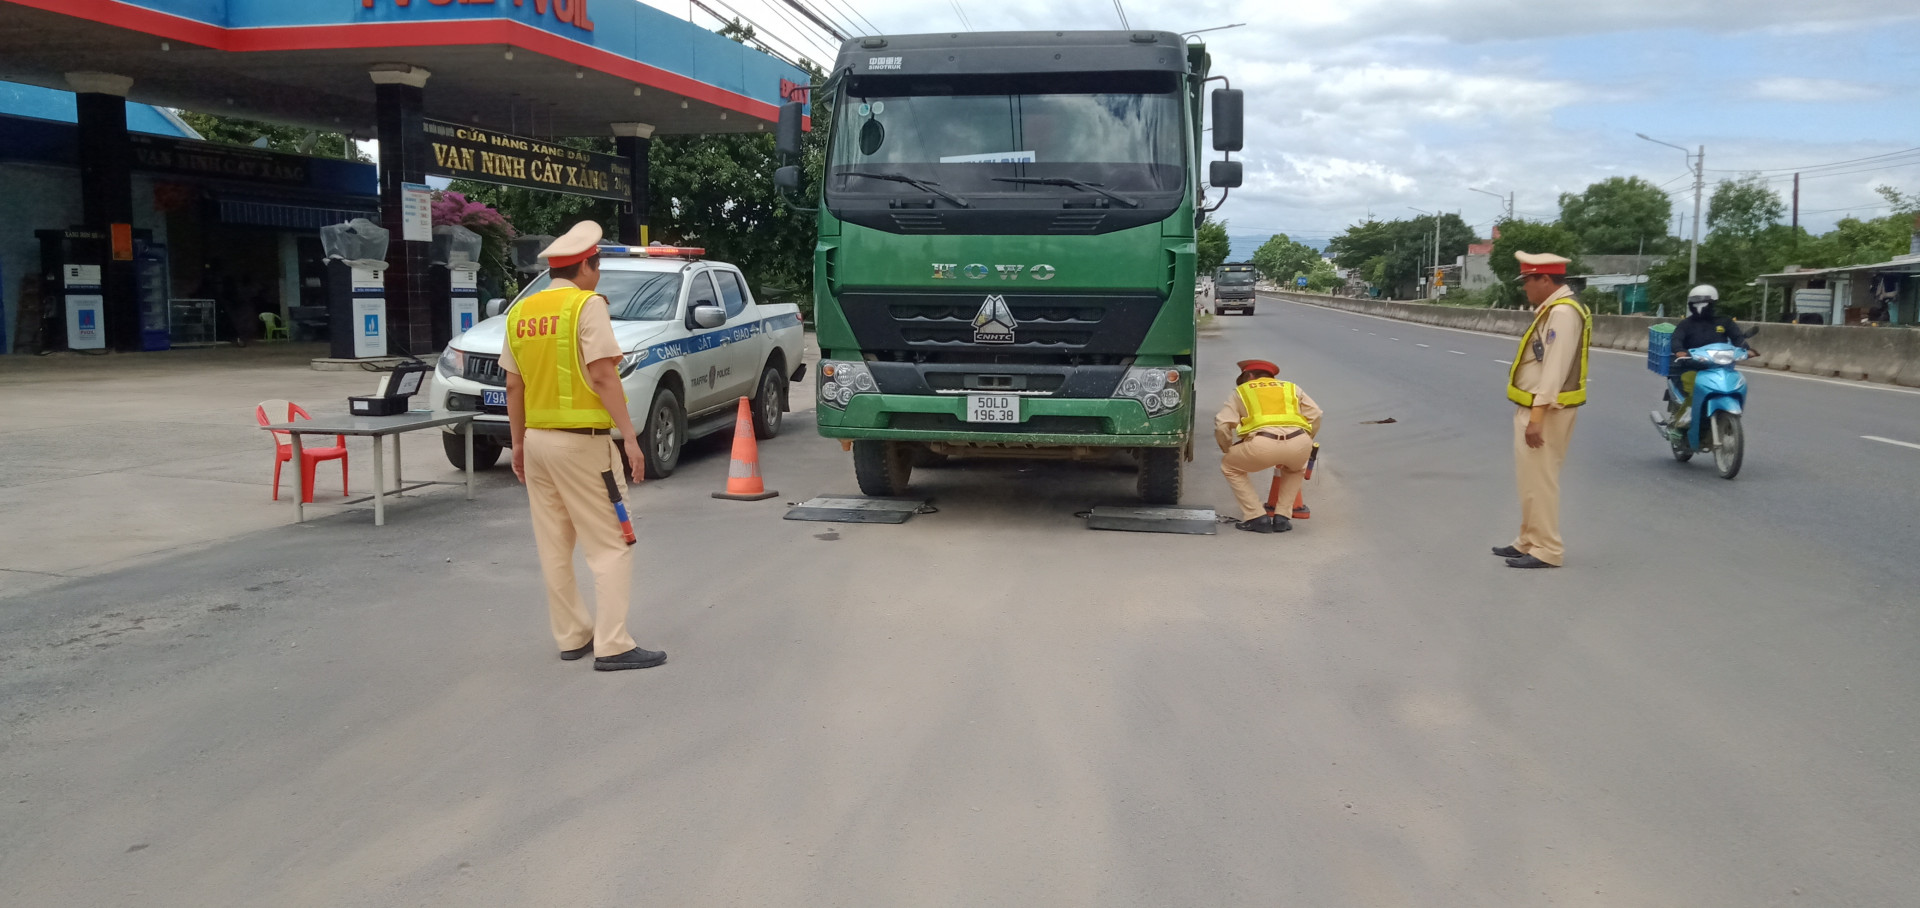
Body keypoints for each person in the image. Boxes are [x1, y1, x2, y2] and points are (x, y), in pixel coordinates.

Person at [501, 220, 665, 671]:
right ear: (587, 268)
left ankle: (573, 636)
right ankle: (613, 644)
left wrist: (517, 445)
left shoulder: (520, 313)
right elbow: (602, 374)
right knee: (613, 542)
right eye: (597, 266)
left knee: (554, 545)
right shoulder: (586, 306)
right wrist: (630, 437)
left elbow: (514, 386)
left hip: (536, 443)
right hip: (583, 446)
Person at [1494, 251, 1590, 569]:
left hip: (1547, 411)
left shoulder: (1562, 314)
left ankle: (1547, 548)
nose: (1524, 288)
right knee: (1530, 480)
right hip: (1536, 407)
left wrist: (1536, 417)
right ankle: (1528, 540)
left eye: (1528, 281)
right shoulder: (1552, 310)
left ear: (1545, 279)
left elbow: (1553, 371)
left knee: (1541, 480)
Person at [1215, 359, 1323, 534]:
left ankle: (1257, 517)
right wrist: (1307, 440)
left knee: (1230, 466)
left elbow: (1222, 426)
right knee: (1295, 469)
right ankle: (1282, 518)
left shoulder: (1241, 391)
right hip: (1300, 441)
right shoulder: (1291, 388)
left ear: (1249, 375)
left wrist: (1228, 448)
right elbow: (1316, 414)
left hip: (1261, 445)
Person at [1662, 284, 1753, 428]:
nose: (1699, 306)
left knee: (1737, 383)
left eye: (1703, 303)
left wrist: (1746, 349)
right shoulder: (1685, 324)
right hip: (1692, 367)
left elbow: (1737, 338)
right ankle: (1682, 420)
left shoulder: (1724, 322)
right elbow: (1676, 339)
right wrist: (1680, 350)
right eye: (1695, 303)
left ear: (1713, 304)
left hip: (1720, 366)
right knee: (1692, 389)